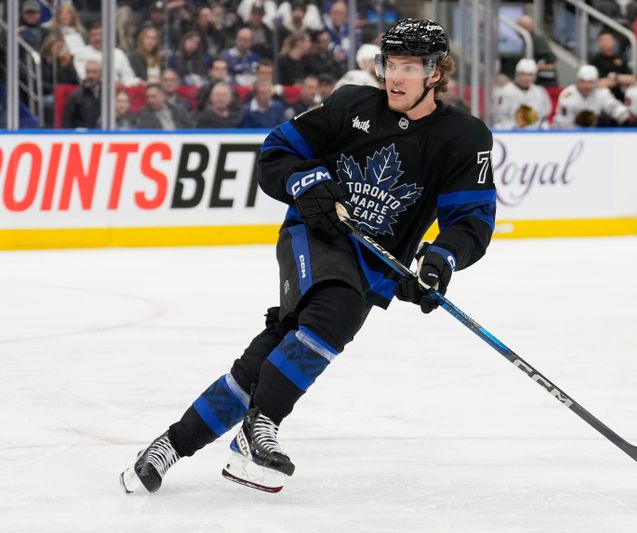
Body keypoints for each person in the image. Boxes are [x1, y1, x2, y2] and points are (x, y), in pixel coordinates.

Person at [120, 17, 496, 495]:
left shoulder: (464, 137)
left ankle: (169, 446)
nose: (393, 78)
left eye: (407, 67)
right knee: (333, 308)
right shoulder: (350, 105)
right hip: (312, 235)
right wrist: (305, 181)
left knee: (273, 353)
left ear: (435, 73)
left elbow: (472, 221)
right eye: (388, 64)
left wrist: (440, 258)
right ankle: (257, 435)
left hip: (374, 265)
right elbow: (278, 150)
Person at [552, 65, 631, 129]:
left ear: (596, 82)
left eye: (590, 82)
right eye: (583, 81)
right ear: (577, 81)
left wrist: (626, 118)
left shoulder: (601, 92)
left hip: (594, 131)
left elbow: (618, 111)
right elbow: (563, 123)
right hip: (569, 132)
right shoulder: (568, 95)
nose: (586, 86)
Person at [73, 23, 141, 86]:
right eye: (94, 35)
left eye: (100, 34)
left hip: (118, 91)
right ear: (89, 37)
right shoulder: (81, 54)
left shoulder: (118, 53)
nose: (98, 38)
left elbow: (129, 77)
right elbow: (85, 79)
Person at [492, 59, 552, 129]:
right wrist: (515, 127)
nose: (526, 78)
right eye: (523, 74)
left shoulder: (539, 92)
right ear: (517, 74)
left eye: (530, 75)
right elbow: (499, 119)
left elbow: (543, 117)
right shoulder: (505, 91)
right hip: (511, 132)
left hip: (535, 133)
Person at [591, 30, 637, 101]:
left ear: (613, 41)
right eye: (602, 40)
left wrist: (616, 77)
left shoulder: (620, 59)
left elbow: (632, 79)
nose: (605, 43)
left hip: (620, 98)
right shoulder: (594, 61)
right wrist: (619, 81)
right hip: (601, 99)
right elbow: (595, 84)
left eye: (608, 40)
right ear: (598, 43)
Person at [62, 59, 102, 129]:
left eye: (94, 72)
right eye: (88, 72)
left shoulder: (108, 95)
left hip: (104, 135)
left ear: (100, 74)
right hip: (82, 136)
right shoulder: (75, 96)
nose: (91, 75)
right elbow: (67, 122)